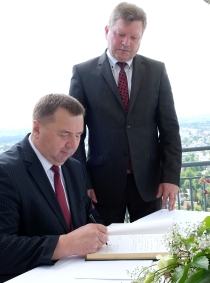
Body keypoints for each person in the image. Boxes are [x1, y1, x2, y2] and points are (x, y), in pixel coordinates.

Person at [69, 2, 182, 226]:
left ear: (141, 38)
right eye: (120, 34)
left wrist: (170, 178)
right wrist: (83, 182)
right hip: (102, 186)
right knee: (103, 252)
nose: (126, 43)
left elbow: (170, 129)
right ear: (106, 31)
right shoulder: (83, 73)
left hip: (150, 184)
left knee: (154, 253)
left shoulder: (156, 71)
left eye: (134, 37)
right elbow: (75, 136)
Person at [0, 93, 108, 283]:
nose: (73, 145)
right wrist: (65, 244)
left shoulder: (73, 168)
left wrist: (101, 231)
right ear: (37, 128)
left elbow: (86, 214)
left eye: (78, 135)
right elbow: (3, 249)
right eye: (64, 134)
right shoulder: (6, 172)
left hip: (80, 273)